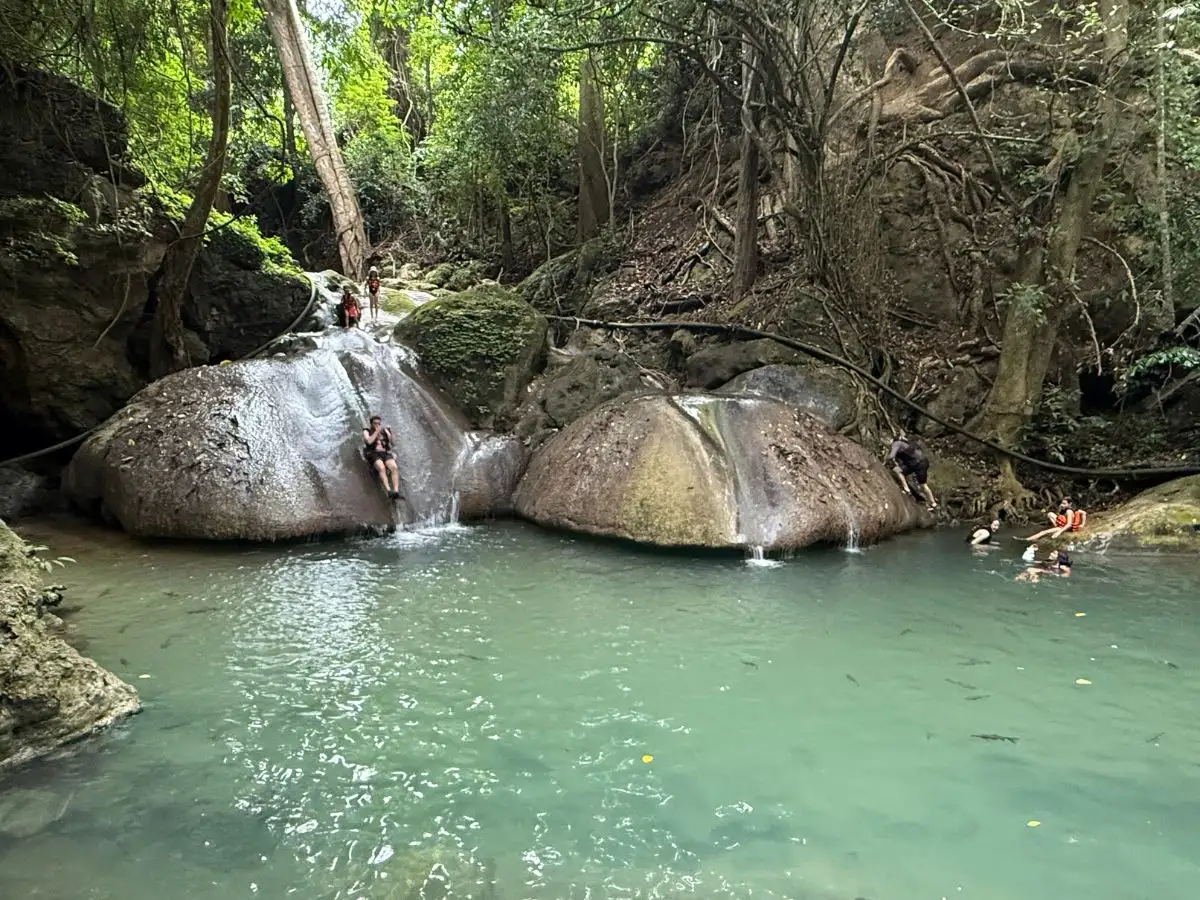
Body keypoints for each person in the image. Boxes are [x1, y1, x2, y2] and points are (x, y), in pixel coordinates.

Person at [887, 435, 937, 509]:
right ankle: (933, 504)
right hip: (923, 462)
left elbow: (891, 456)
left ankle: (907, 489)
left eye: (888, 440)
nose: (888, 442)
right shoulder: (906, 443)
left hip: (916, 464)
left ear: (892, 440)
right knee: (923, 485)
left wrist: (885, 459)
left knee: (897, 471)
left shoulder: (897, 443)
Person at [362, 415, 401, 500]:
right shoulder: (366, 431)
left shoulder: (384, 431)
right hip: (373, 453)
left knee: (394, 467)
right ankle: (388, 490)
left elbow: (393, 443)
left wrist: (391, 433)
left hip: (385, 453)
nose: (377, 425)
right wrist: (377, 432)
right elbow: (369, 441)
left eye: (379, 423)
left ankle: (396, 490)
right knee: (381, 467)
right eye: (375, 423)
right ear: (371, 424)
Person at [1021, 498, 1086, 542]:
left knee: (1043, 532)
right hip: (1062, 524)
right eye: (1062, 503)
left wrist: (1058, 532)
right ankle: (1056, 528)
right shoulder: (1063, 509)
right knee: (1050, 514)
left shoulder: (1069, 511)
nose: (1062, 505)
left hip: (1066, 527)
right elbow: (1083, 512)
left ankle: (1026, 539)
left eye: (1064, 504)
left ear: (1069, 504)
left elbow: (1069, 524)